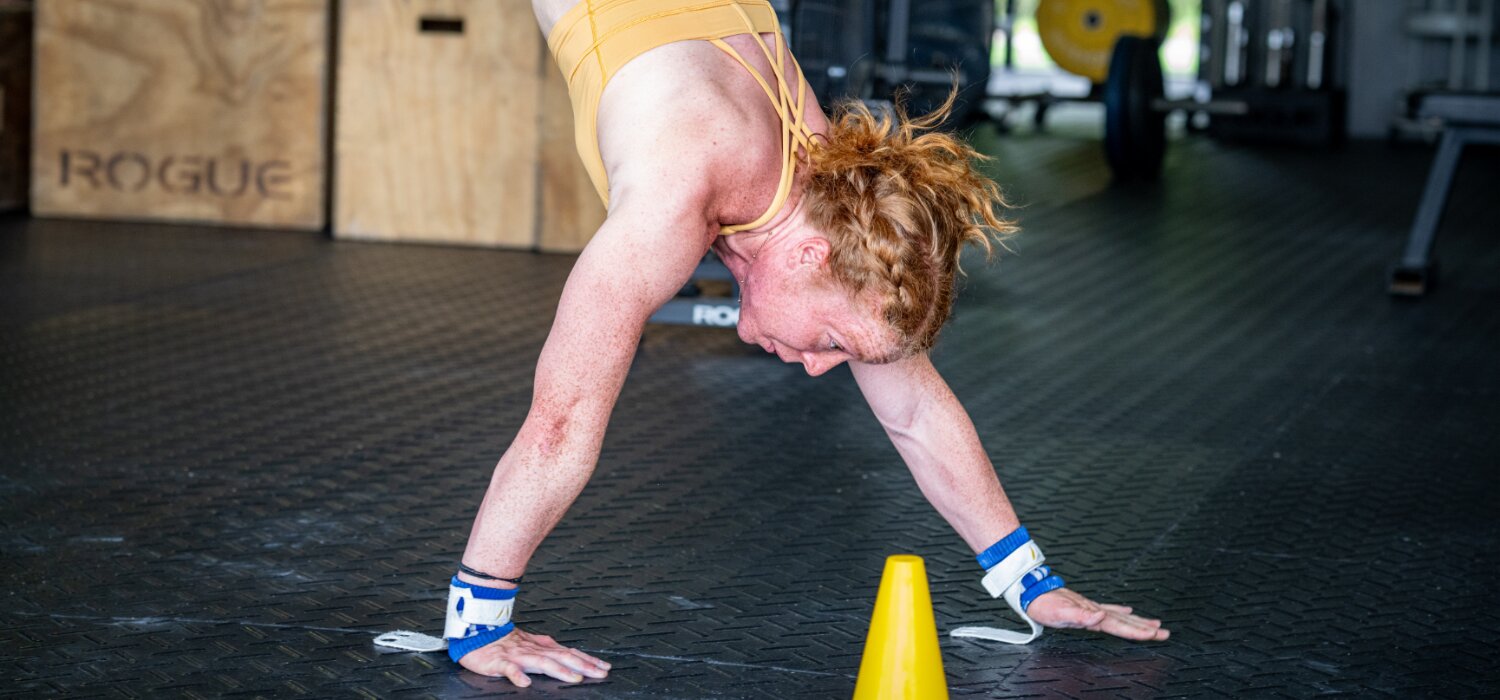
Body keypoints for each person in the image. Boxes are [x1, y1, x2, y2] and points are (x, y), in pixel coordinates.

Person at [440, 0, 1170, 686]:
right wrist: (480, 623)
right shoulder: (676, 192)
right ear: (809, 257)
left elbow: (915, 411)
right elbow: (560, 424)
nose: (820, 366)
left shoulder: (837, 191)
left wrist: (1032, 583)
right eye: (831, 340)